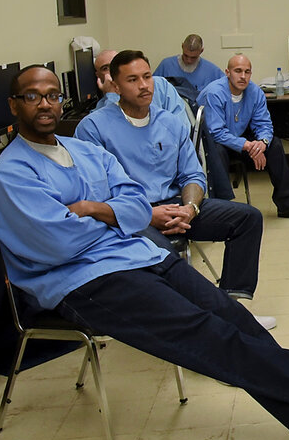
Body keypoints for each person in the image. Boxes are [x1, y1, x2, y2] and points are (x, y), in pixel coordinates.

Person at [0, 65, 289, 440]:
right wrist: (117, 217)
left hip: (137, 253)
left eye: (53, 95)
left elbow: (134, 202)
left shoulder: (84, 151)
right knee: (202, 329)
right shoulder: (11, 174)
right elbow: (58, 241)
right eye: (34, 96)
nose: (46, 104)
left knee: (230, 314)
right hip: (83, 281)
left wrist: (94, 209)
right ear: (13, 104)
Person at [74, 50, 275, 331]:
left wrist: (190, 208)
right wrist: (146, 214)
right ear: (115, 87)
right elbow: (96, 194)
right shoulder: (93, 128)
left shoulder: (169, 122)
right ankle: (201, 324)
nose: (144, 85)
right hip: (129, 216)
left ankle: (233, 312)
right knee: (164, 254)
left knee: (247, 219)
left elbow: (192, 174)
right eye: (133, 80)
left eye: (147, 77)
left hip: (176, 206)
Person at [199, 55, 289, 220]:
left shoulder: (255, 92)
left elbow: (264, 125)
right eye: (238, 71)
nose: (243, 76)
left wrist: (262, 143)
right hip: (214, 143)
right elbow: (216, 132)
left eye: (247, 72)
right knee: (218, 151)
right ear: (227, 72)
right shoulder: (214, 93)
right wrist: (247, 145)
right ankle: (221, 211)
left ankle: (288, 205)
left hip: (240, 139)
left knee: (274, 144)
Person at [94, 48, 187, 121]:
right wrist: (112, 94)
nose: (144, 85)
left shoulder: (161, 86)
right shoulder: (102, 107)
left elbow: (182, 128)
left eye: (147, 76)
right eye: (105, 68)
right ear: (98, 75)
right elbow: (111, 134)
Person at [153, 33, 226, 92]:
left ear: (201, 51)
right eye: (186, 55)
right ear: (182, 46)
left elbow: (226, 87)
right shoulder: (166, 65)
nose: (188, 60)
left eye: (193, 57)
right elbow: (153, 87)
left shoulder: (211, 71)